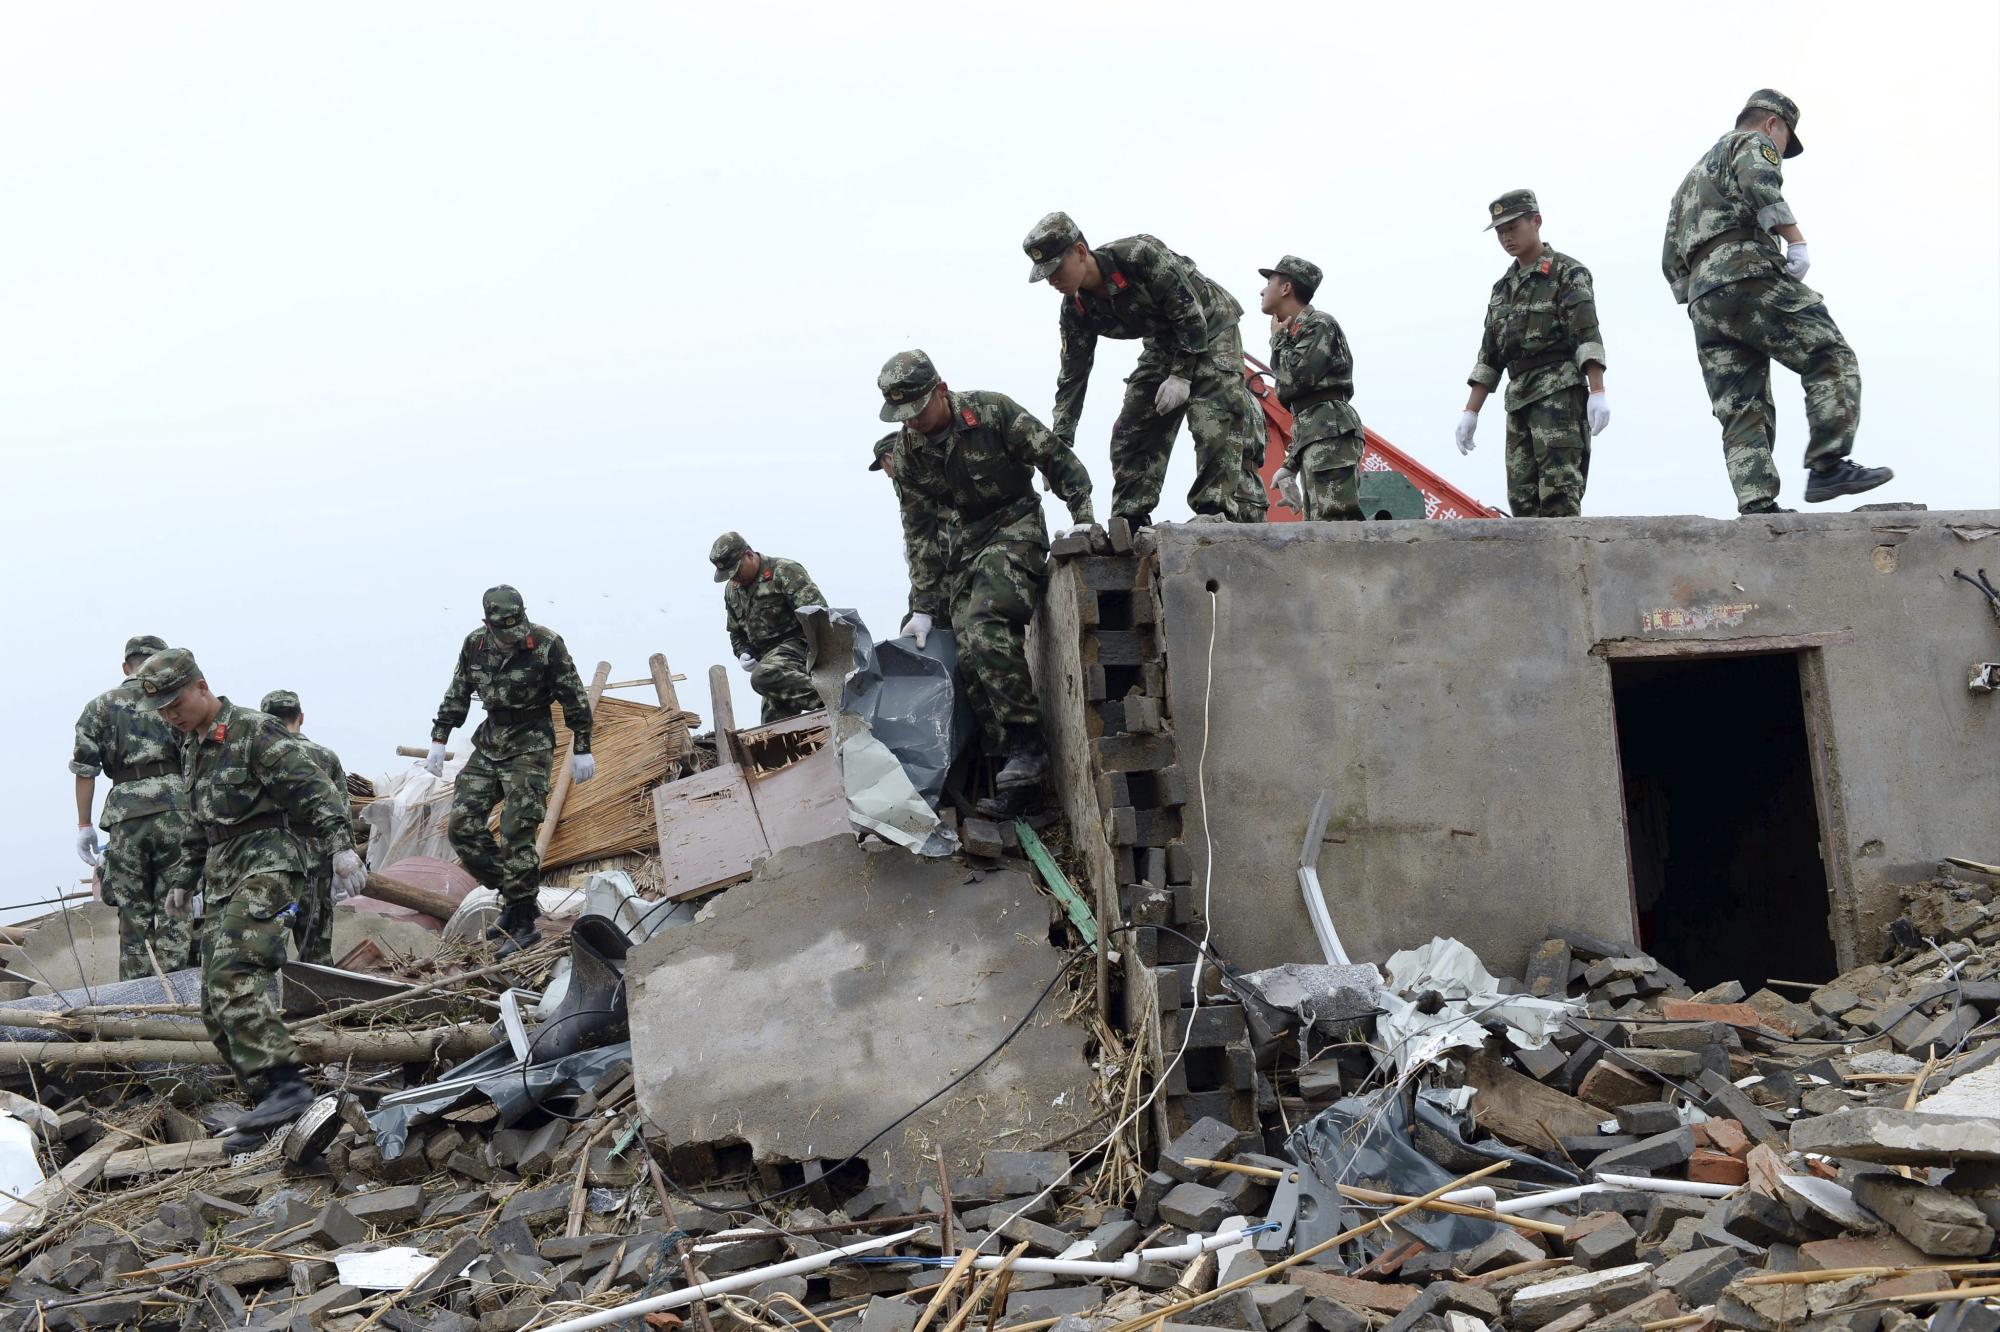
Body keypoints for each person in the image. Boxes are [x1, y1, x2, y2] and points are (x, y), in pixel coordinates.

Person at [136, 648, 365, 1133]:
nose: (171, 715)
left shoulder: (254, 729)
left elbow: (316, 792)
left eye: (176, 703)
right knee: (212, 1003)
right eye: (162, 710)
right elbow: (200, 824)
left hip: (271, 864)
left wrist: (342, 849)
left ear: (201, 686)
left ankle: (287, 1085)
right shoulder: (192, 747)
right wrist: (183, 879)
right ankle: (270, 1108)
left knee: (234, 971)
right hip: (223, 875)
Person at [877, 349, 1094, 802]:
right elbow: (919, 532)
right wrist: (921, 605)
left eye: (917, 409)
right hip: (965, 545)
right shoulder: (908, 452)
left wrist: (1083, 515)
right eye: (903, 415)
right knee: (966, 653)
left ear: (940, 390)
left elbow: (1054, 456)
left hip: (1014, 525)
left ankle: (1027, 744)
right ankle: (1014, 777)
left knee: (984, 624)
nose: (912, 421)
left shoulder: (992, 411)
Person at [1662, 89, 1892, 514]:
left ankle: (1756, 503)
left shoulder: (1689, 182)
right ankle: (1828, 464)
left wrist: (1702, 291)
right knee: (1828, 352)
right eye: (1786, 139)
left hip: (1704, 299)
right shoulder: (1752, 143)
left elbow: (1669, 256)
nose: (1782, 151)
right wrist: (1795, 241)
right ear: (1773, 123)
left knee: (1740, 404)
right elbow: (1759, 182)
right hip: (1745, 272)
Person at [1024, 211, 1267, 529]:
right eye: (1045, 274)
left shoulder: (1138, 256)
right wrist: (1059, 442)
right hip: (1163, 343)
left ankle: (1214, 513)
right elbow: (1072, 377)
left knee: (1213, 417)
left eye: (1056, 268)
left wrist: (1181, 375)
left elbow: (1190, 315)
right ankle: (1131, 518)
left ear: (1081, 252)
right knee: (1131, 428)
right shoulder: (1076, 310)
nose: (1053, 280)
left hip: (1210, 326)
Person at [422, 585, 595, 954]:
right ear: (487, 623)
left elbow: (574, 695)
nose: (512, 637)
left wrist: (582, 746)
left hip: (530, 743)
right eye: (503, 630)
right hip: (490, 741)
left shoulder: (546, 644)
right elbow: (458, 692)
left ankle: (522, 925)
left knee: (517, 830)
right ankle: (518, 898)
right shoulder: (474, 645)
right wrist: (440, 737)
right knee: (462, 827)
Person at [1455, 190, 1609, 517]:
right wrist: (1471, 413)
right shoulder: (1502, 289)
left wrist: (1597, 391)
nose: (1506, 237)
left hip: (1558, 396)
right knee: (1522, 502)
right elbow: (1490, 356)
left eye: (1513, 227)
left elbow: (1586, 334)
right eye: (1500, 231)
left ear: (1536, 221)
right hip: (1519, 399)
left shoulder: (1567, 272)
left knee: (1559, 496)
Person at [70, 635, 198, 979]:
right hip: (176, 809)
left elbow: (85, 770)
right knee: (176, 904)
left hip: (126, 814)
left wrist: (84, 826)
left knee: (133, 914)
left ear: (126, 666)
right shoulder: (175, 701)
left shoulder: (100, 706)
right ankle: (179, 1000)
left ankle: (138, 1001)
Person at [1259, 255, 1366, 521]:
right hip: (1320, 429)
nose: (1262, 290)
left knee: (1334, 524)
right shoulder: (1301, 331)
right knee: (1321, 527)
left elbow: (1296, 379)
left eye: (1269, 281)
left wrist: (1277, 340)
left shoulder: (1319, 324)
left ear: (1286, 288)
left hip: (1330, 429)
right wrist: (1290, 465)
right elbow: (1307, 408)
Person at [259, 690, 347, 965]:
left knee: (265, 953)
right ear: (301, 718)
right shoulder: (326, 758)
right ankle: (321, 1007)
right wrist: (341, 862)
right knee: (317, 955)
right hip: (316, 870)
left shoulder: (258, 757)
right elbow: (340, 813)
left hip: (271, 867)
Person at [708, 533, 828, 724]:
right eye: (729, 576)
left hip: (802, 648)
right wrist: (743, 653)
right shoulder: (732, 591)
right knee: (773, 724)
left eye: (737, 572)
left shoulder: (784, 572)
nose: (735, 579)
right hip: (772, 663)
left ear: (748, 555)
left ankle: (835, 698)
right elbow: (736, 632)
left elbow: (819, 617)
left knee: (761, 677)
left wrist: (825, 663)